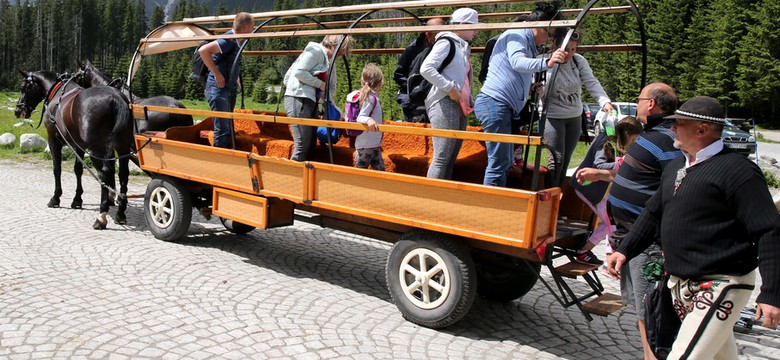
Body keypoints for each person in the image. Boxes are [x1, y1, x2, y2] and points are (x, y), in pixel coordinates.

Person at [607, 96, 780, 359]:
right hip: (682, 285)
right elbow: (654, 212)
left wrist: (771, 293)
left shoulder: (740, 172)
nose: (672, 128)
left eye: (679, 123)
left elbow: (769, 231)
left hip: (722, 283)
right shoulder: (677, 165)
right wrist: (625, 249)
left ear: (702, 129)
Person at [606, 82, 681, 360]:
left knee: (650, 309)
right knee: (642, 309)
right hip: (632, 238)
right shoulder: (655, 134)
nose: (636, 104)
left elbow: (674, 187)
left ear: (651, 104)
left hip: (647, 242)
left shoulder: (667, 138)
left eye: (639, 99)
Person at [474, 1, 566, 186]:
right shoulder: (517, 34)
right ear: (539, 26)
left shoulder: (523, 38)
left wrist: (527, 89)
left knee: (503, 161)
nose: (546, 41)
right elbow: (517, 62)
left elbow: (512, 70)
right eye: (549, 35)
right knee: (499, 162)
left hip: (499, 105)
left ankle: (495, 203)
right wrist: (546, 63)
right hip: (495, 104)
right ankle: (491, 208)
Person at [542, 30, 614, 187]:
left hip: (574, 115)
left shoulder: (578, 61)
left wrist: (604, 101)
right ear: (556, 46)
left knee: (566, 159)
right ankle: (549, 197)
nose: (569, 53)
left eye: (573, 49)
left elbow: (591, 82)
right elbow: (536, 86)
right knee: (556, 158)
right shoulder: (544, 62)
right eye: (566, 49)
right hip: (553, 116)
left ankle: (557, 196)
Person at [570, 116, 643, 266]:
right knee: (612, 224)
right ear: (627, 134)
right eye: (634, 139)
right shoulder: (607, 141)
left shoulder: (619, 142)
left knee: (608, 223)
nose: (634, 143)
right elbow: (598, 165)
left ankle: (585, 252)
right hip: (588, 187)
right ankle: (605, 257)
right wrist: (620, 165)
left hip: (602, 192)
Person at [420, 8, 478, 180]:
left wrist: (469, 98)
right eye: (473, 26)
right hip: (444, 101)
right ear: (461, 24)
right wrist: (449, 88)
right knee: (442, 157)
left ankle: (444, 197)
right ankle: (432, 198)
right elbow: (426, 68)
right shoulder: (447, 42)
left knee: (450, 157)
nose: (476, 31)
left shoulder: (462, 47)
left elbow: (463, 78)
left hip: (459, 104)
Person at [284, 35, 353, 161]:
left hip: (309, 101)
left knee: (310, 145)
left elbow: (328, 87)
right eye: (339, 52)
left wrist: (332, 107)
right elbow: (299, 72)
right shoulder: (315, 51)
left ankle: (306, 178)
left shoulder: (326, 60)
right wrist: (319, 84)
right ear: (333, 45)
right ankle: (292, 176)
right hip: (298, 99)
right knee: (302, 147)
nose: (338, 56)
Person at [199, 12, 254, 148]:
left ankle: (227, 154)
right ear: (246, 26)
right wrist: (217, 74)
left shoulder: (237, 40)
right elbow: (203, 51)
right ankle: (219, 161)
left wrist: (235, 80)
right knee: (223, 128)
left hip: (228, 88)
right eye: (252, 26)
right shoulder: (229, 39)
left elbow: (230, 62)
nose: (254, 29)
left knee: (227, 124)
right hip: (218, 89)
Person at [394, 17, 446, 122]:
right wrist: (417, 87)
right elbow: (399, 75)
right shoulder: (412, 50)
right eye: (438, 35)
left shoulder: (443, 47)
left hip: (435, 99)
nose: (442, 38)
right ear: (428, 35)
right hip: (412, 101)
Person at [353, 63, 386, 171]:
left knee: (380, 170)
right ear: (380, 82)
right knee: (361, 171)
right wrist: (369, 120)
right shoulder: (370, 98)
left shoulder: (372, 97)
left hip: (373, 143)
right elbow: (361, 117)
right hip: (366, 145)